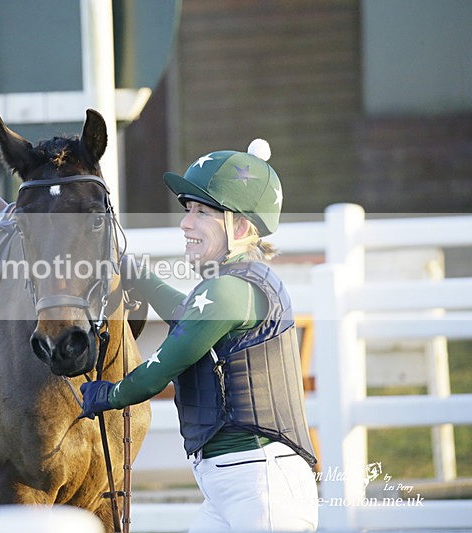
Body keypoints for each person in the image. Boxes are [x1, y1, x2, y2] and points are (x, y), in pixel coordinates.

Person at [80, 139, 319, 531]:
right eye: (187, 209)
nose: (185, 223)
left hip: (261, 485)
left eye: (202, 212)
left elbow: (163, 366)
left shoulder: (229, 290)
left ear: (240, 227)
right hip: (235, 484)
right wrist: (131, 269)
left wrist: (108, 395)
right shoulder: (232, 285)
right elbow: (187, 318)